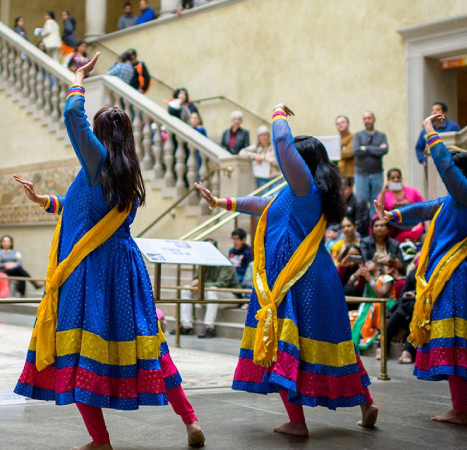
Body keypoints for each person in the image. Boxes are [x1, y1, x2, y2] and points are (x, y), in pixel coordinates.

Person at [12, 53, 205, 448]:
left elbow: (71, 114)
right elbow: (84, 210)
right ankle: (190, 420)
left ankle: (100, 440)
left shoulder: (96, 159)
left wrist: (79, 78)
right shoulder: (126, 169)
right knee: (150, 345)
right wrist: (43, 201)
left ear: (99, 135)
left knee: (81, 351)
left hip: (92, 269)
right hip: (125, 267)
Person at [194, 103, 378, 436]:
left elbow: (282, 144)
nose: (285, 163)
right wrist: (223, 203)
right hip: (315, 278)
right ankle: (366, 402)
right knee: (334, 341)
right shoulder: (301, 193)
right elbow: (261, 205)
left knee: (281, 344)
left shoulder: (304, 186)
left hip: (299, 279)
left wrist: (278, 113)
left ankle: (297, 422)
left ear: (302, 163)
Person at [374, 112, 467, 425]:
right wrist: (393, 215)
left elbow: (443, 163)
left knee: (455, 342)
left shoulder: (466, 197)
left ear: (461, 174)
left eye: (452, 172)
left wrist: (428, 129)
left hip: (457, 277)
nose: (446, 175)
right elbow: (422, 209)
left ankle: (460, 411)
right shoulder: (459, 200)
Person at [178, 238, 241, 338]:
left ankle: (209, 327)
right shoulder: (203, 262)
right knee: (186, 289)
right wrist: (194, 285)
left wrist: (201, 284)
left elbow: (221, 284)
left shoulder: (225, 262)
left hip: (231, 296)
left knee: (212, 291)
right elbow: (195, 279)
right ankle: (186, 326)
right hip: (211, 294)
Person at [353, 110, 388, 216]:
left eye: (369, 118)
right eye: (365, 119)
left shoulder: (381, 135)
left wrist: (365, 148)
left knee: (376, 202)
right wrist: (376, 149)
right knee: (361, 202)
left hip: (377, 173)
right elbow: (356, 151)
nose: (367, 121)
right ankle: (364, 227)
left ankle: (374, 226)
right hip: (361, 174)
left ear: (374, 119)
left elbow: (384, 150)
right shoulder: (358, 135)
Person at [377, 168, 425, 242]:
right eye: (392, 178)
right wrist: (383, 192)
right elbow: (380, 209)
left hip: (413, 223)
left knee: (417, 230)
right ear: (388, 180)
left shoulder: (412, 191)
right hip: (395, 226)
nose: (396, 180)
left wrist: (424, 227)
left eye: (398, 177)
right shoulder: (385, 194)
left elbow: (423, 208)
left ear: (401, 179)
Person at [415, 102, 461, 167]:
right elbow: (419, 147)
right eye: (432, 110)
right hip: (431, 164)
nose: (434, 112)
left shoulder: (453, 126)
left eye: (437, 110)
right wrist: (423, 160)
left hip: (450, 163)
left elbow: (460, 145)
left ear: (444, 113)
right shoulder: (426, 129)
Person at [336, 115, 354, 184]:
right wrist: (342, 149)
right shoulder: (336, 139)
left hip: (349, 173)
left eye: (342, 122)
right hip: (338, 173)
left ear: (348, 124)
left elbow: (349, 152)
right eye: (337, 123)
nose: (340, 125)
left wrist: (337, 151)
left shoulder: (353, 137)